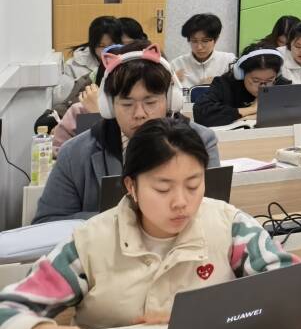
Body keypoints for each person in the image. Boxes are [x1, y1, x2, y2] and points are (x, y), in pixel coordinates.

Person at [2, 118, 295, 329]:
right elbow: (8, 309)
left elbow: (289, 287)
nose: (181, 202)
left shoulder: (230, 226)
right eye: (163, 189)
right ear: (131, 186)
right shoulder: (90, 242)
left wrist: (201, 319)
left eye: (193, 185)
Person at [35, 46, 221, 223]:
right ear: (109, 107)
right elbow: (48, 222)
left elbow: (213, 214)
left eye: (150, 102)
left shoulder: (202, 140)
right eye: (127, 104)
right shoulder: (74, 153)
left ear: (171, 100)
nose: (139, 113)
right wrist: (128, 219)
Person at [193, 49, 289, 128]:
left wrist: (257, 116)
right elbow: (201, 113)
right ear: (241, 74)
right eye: (256, 80)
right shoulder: (225, 84)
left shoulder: (281, 84)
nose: (263, 87)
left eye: (269, 80)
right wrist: (251, 109)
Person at [51, 16, 123, 117]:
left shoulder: (126, 63)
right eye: (101, 46)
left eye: (112, 45)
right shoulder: (74, 66)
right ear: (92, 45)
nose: (107, 50)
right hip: (83, 117)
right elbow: (61, 101)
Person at [171, 13, 236, 87]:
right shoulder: (177, 64)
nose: (199, 47)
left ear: (216, 39)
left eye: (205, 41)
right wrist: (171, 81)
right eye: (194, 41)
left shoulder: (228, 61)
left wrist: (218, 81)